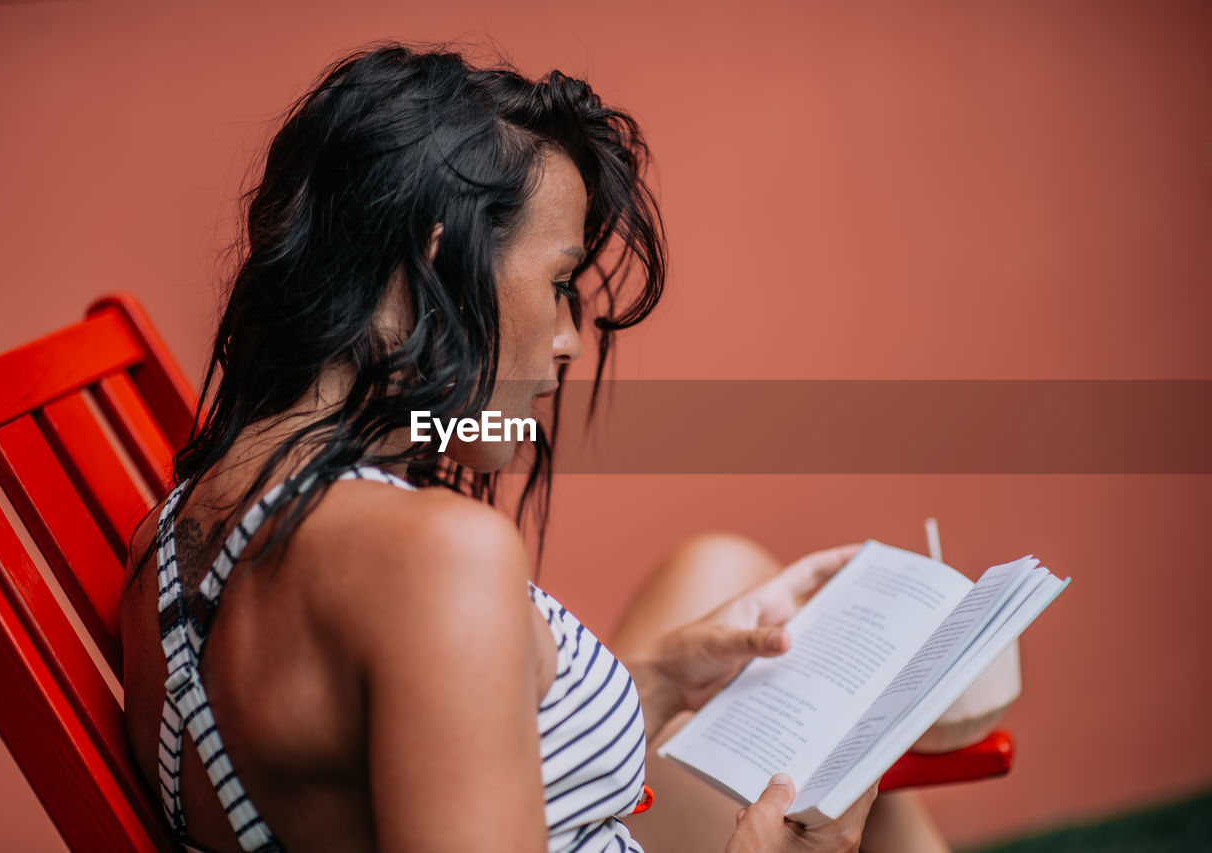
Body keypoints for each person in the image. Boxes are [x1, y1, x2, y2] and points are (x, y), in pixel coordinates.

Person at [120, 43, 948, 852]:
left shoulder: (168, 539)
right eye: (559, 286)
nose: (569, 342)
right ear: (427, 273)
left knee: (724, 569)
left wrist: (661, 676)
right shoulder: (439, 555)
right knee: (846, 769)